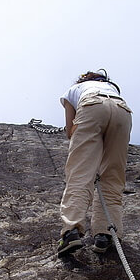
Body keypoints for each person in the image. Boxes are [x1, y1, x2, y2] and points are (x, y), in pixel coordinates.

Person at [58, 69, 133, 257]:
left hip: (91, 106)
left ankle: (71, 231)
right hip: (122, 110)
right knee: (113, 177)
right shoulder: (111, 87)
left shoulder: (73, 91)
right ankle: (106, 234)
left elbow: (70, 131)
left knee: (80, 174)